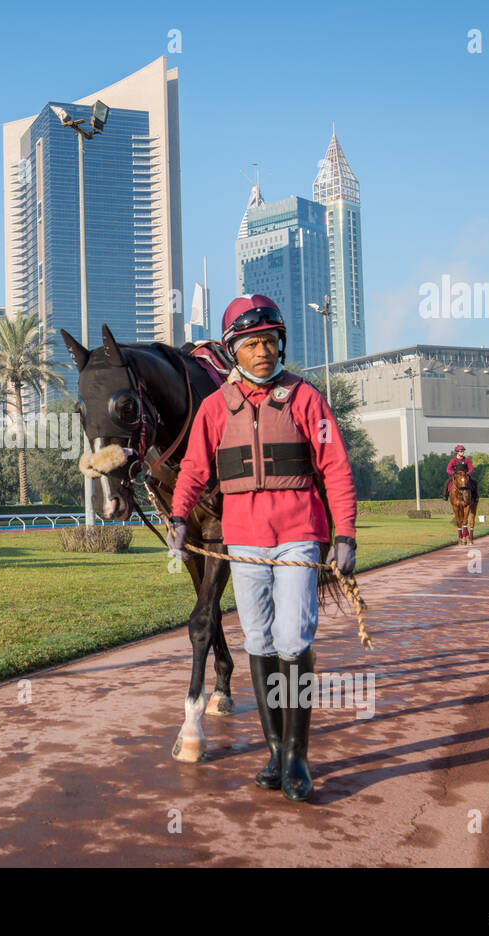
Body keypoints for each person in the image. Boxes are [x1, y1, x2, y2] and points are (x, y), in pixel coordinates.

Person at [167, 295, 357, 802]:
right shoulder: (214, 409)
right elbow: (192, 471)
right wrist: (179, 517)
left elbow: (336, 467)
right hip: (244, 543)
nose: (263, 352)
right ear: (233, 351)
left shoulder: (307, 399)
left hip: (298, 538)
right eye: (252, 344)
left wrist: (345, 534)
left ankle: (297, 757)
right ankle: (274, 751)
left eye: (270, 341)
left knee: (293, 640)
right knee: (259, 643)